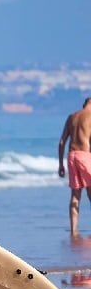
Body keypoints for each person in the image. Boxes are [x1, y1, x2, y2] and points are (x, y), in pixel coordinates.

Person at [58, 97, 91, 237]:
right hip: (85, 156)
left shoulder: (72, 117)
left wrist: (60, 164)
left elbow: (61, 142)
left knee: (75, 196)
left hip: (72, 156)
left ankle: (73, 231)